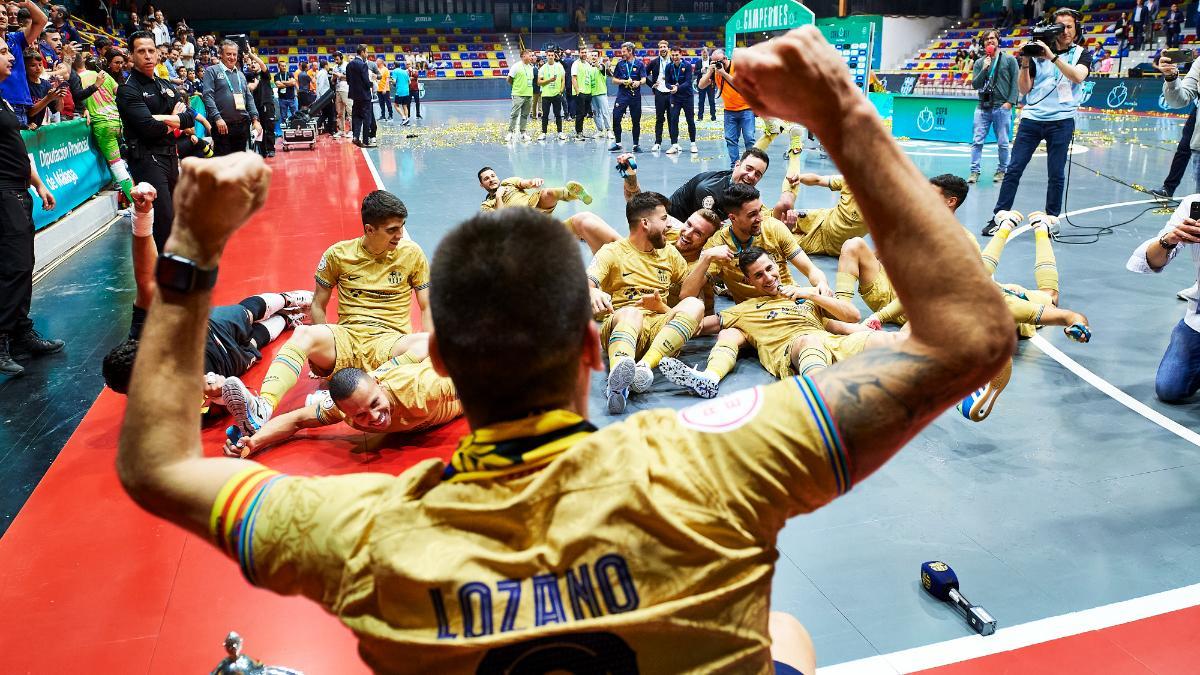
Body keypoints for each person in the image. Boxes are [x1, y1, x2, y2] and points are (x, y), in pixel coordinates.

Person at [115, 28, 1015, 674]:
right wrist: (843, 111)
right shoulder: (717, 468)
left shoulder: (364, 536)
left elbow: (157, 466)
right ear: (590, 341)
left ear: (443, 358)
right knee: (789, 639)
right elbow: (970, 335)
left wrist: (190, 247)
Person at [222, 190, 432, 436]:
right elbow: (318, 305)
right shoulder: (337, 255)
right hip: (348, 338)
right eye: (392, 230)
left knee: (428, 342)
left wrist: (427, 361)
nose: (400, 235)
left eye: (402, 227)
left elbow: (426, 306)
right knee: (303, 333)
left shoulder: (412, 254)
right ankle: (263, 407)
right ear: (369, 229)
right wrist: (323, 355)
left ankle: (353, 386)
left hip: (390, 342)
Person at [101, 183, 308, 401]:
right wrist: (219, 395)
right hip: (225, 363)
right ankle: (287, 319)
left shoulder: (145, 330)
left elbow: (147, 281)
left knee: (246, 313)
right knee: (255, 342)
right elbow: (228, 408)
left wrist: (142, 216)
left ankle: (287, 299)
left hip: (211, 326)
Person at [662, 245, 890, 400]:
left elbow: (852, 315)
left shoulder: (805, 295)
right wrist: (663, 312)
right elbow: (698, 326)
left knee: (890, 340)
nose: (768, 277)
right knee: (808, 341)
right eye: (759, 275)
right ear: (749, 280)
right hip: (795, 350)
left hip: (832, 343)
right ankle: (825, 400)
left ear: (777, 266)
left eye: (769, 269)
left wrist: (810, 294)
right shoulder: (744, 310)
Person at [224, 336, 461, 458]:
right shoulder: (341, 407)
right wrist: (254, 441)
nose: (376, 418)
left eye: (375, 404)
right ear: (344, 412)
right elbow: (296, 420)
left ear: (378, 386)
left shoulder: (423, 389)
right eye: (361, 415)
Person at [589, 191, 705, 414]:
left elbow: (691, 292)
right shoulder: (613, 251)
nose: (669, 226)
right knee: (631, 313)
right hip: (625, 326)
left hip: (661, 334)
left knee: (695, 305)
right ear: (644, 223)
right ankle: (618, 380)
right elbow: (589, 280)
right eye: (663, 219)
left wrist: (689, 311)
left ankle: (643, 368)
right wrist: (593, 293)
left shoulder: (669, 253)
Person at [982, 9, 1090, 237]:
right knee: (1013, 169)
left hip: (1061, 121)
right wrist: (1025, 62)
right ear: (1053, 29)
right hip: (1031, 119)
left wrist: (1052, 56)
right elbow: (1024, 89)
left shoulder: (1081, 53)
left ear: (1076, 29)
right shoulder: (1037, 53)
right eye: (1061, 27)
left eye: (1070, 26)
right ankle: (998, 216)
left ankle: (1051, 220)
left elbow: (1078, 77)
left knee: (1056, 173)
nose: (1066, 31)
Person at [0, 35, 61, 375]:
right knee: (13, 268)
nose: (12, 57)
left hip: (18, 191)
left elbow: (17, 149)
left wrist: (38, 183)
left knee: (22, 265)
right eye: (4, 52)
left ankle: (20, 333)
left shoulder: (5, 100)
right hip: (3, 194)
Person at [680, 183, 832, 305]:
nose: (760, 218)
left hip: (792, 301)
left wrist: (821, 284)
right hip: (753, 313)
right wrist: (706, 258)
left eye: (759, 211)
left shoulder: (773, 227)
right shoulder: (718, 245)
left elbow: (810, 269)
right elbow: (686, 294)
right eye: (752, 215)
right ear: (733, 218)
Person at [117, 30, 194, 251]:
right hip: (147, 159)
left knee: (177, 216)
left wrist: (163, 119)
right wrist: (174, 121)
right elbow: (149, 129)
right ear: (131, 55)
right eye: (141, 51)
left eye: (152, 50)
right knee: (164, 219)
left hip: (170, 157)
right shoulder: (127, 90)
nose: (148, 55)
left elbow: (189, 117)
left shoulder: (164, 85)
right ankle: (166, 274)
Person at [1128, 195, 1200, 402]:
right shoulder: (1193, 204)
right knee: (1170, 389)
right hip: (1198, 319)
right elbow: (1151, 260)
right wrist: (1169, 240)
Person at [80, 49, 133, 201]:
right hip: (118, 122)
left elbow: (77, 96)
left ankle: (134, 202)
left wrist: (84, 109)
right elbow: (120, 93)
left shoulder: (80, 77)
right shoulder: (106, 75)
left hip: (103, 126)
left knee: (117, 165)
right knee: (126, 158)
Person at [970, 30, 1019, 185]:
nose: (989, 41)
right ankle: (974, 171)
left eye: (992, 38)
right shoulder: (979, 62)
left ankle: (1002, 170)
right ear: (983, 43)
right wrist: (984, 69)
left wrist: (1010, 103)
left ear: (998, 41)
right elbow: (975, 84)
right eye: (986, 39)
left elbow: (1015, 83)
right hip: (982, 107)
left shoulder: (1010, 60)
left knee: (1003, 143)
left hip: (1001, 107)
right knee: (977, 141)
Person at [201, 39, 261, 156]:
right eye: (228, 54)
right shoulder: (211, 71)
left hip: (242, 126)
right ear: (221, 55)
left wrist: (255, 119)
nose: (232, 57)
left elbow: (249, 98)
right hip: (222, 125)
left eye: (234, 54)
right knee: (223, 165)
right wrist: (217, 118)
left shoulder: (241, 75)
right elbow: (208, 96)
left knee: (239, 163)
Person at [700, 48, 755, 167]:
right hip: (729, 111)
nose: (718, 64)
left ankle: (751, 164)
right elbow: (701, 85)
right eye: (714, 62)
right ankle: (734, 166)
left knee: (749, 138)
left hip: (746, 109)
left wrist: (723, 73)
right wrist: (710, 71)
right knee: (730, 140)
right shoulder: (715, 72)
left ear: (725, 58)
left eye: (719, 61)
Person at [0, 0, 47, 126]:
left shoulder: (15, 38)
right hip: (4, 103)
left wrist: (25, 2)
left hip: (21, 106)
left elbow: (41, 20)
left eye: (4, 13)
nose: (1, 16)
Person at [476, 167, 591, 215]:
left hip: (534, 205)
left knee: (548, 193)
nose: (491, 179)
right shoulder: (485, 206)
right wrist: (498, 197)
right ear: (481, 185)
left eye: (493, 176)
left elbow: (525, 183)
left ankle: (575, 194)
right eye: (486, 179)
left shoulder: (508, 182)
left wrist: (533, 182)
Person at [608, 41, 645, 153]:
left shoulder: (639, 64)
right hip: (622, 95)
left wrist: (638, 82)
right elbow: (614, 80)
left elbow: (644, 79)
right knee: (616, 117)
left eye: (624, 51)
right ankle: (618, 143)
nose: (622, 53)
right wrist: (623, 81)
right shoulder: (620, 64)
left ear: (630, 51)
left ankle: (635, 145)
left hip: (635, 96)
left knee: (636, 120)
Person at [664, 47, 697, 155]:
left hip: (687, 97)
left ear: (681, 54)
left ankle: (693, 144)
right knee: (673, 120)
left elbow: (688, 82)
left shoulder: (687, 65)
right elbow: (667, 83)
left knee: (690, 120)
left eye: (676, 55)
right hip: (675, 97)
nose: (674, 57)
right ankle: (674, 145)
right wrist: (671, 87)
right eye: (672, 55)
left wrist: (677, 88)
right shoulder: (668, 66)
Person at [645, 39, 671, 152]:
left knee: (672, 119)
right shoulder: (654, 62)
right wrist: (652, 85)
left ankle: (674, 143)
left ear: (668, 49)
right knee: (659, 118)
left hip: (671, 93)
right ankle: (657, 142)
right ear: (658, 49)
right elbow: (643, 74)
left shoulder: (673, 61)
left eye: (664, 47)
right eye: (661, 47)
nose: (663, 49)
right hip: (659, 93)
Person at [346, 43, 373, 147]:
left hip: (354, 95)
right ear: (362, 52)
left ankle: (355, 137)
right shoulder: (363, 65)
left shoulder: (349, 65)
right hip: (364, 95)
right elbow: (366, 81)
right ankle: (366, 141)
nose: (367, 54)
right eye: (366, 52)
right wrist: (372, 83)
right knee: (367, 118)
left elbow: (348, 80)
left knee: (356, 116)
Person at [505, 48, 533, 142]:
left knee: (525, 115)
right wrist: (517, 86)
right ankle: (510, 132)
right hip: (518, 94)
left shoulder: (531, 67)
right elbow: (509, 79)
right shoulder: (516, 66)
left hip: (529, 95)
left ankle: (523, 133)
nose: (531, 57)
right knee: (514, 114)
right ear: (523, 56)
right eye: (529, 55)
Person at [537, 48, 565, 141]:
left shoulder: (559, 66)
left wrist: (561, 90)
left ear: (554, 56)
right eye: (549, 55)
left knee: (558, 114)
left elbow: (563, 79)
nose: (550, 57)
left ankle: (560, 132)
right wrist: (549, 80)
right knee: (545, 115)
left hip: (556, 95)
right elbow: (539, 82)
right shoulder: (543, 68)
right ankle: (543, 133)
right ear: (546, 56)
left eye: (552, 55)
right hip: (546, 95)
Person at [696, 46, 716, 122]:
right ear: (701, 53)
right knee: (701, 101)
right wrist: (701, 71)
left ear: (708, 53)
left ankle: (713, 116)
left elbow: (715, 72)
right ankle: (700, 117)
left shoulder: (712, 61)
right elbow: (695, 72)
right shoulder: (698, 62)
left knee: (711, 101)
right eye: (703, 53)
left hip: (710, 84)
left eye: (706, 53)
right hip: (701, 84)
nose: (704, 55)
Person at [373, 57, 390, 122]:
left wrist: (385, 88)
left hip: (385, 90)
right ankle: (383, 116)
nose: (376, 62)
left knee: (388, 103)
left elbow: (387, 80)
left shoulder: (386, 69)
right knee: (381, 103)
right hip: (378, 89)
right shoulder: (376, 70)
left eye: (377, 61)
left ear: (381, 62)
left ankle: (390, 115)